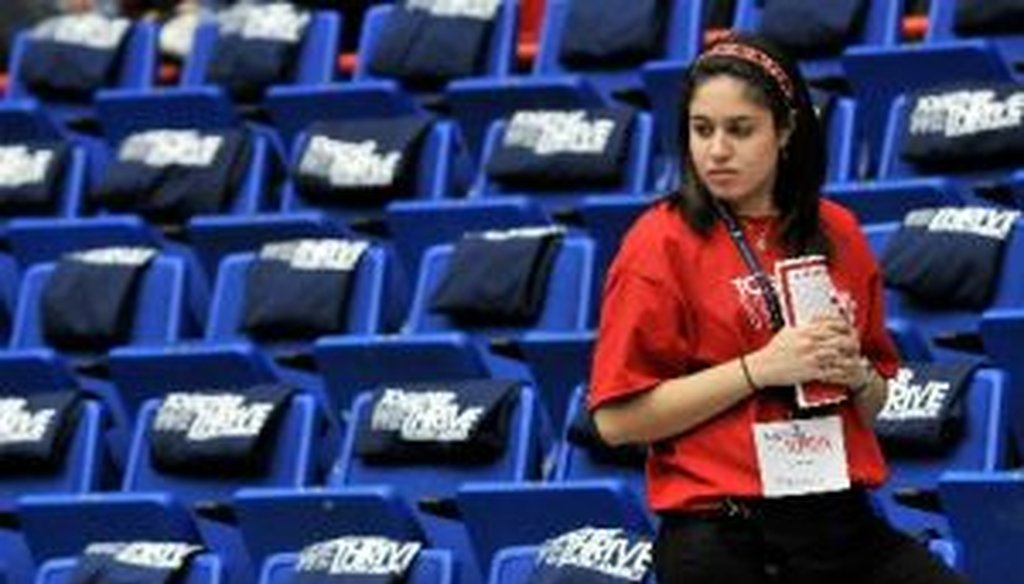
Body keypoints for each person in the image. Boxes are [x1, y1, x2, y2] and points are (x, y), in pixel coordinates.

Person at [588, 33, 968, 584]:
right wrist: (758, 369)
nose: (717, 150)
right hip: (720, 533)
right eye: (702, 130)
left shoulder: (839, 231)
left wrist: (855, 375)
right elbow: (616, 422)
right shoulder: (658, 243)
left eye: (740, 130)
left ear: (786, 131)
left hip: (836, 520)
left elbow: (875, 403)